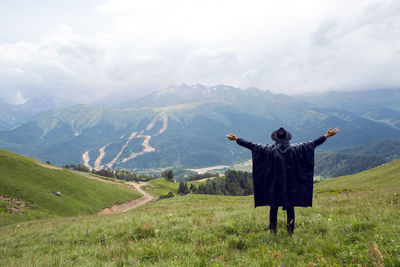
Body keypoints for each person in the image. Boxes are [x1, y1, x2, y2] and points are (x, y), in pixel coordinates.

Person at [227, 127, 339, 235]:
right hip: (291, 185)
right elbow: (312, 144)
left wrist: (237, 139)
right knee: (291, 207)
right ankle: (290, 232)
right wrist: (326, 136)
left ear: (275, 138)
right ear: (287, 138)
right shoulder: (296, 149)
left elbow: (252, 146)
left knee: (273, 207)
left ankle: (273, 231)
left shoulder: (268, 150)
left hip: (274, 185)